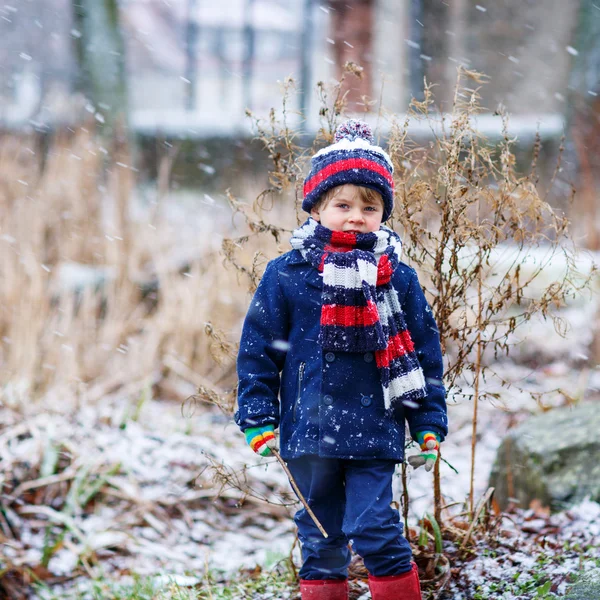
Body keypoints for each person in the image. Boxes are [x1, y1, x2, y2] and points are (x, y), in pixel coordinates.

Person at [234, 119, 448, 600]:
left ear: (383, 214)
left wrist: (428, 422)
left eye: (369, 207)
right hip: (309, 429)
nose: (356, 216)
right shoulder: (287, 275)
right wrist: (256, 418)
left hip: (376, 427)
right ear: (316, 207)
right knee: (321, 537)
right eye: (342, 205)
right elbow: (258, 354)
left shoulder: (398, 278)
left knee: (374, 527)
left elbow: (424, 358)